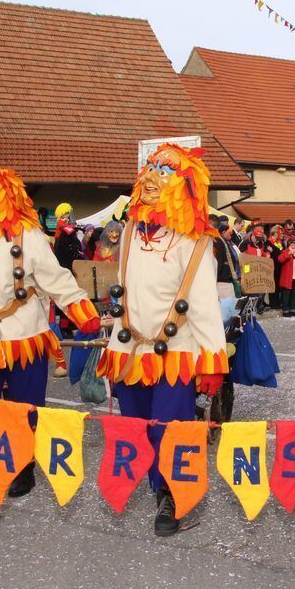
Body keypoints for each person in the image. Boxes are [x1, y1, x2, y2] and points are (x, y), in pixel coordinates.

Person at [0, 166, 99, 503]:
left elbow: (56, 279)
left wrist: (81, 310)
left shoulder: (27, 236)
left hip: (25, 335)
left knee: (24, 407)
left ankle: (24, 466)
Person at [97, 144, 226, 537]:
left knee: (170, 429)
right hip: (131, 351)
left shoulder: (197, 242)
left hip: (176, 353)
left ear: (184, 187)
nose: (151, 177)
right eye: (149, 168)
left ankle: (170, 496)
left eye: (164, 172)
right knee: (136, 426)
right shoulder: (131, 231)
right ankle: (154, 484)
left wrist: (214, 362)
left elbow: (203, 305)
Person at [52, 202, 84, 272]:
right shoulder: (61, 222)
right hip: (60, 241)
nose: (68, 216)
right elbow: (66, 228)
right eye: (66, 214)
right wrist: (74, 227)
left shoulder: (67, 221)